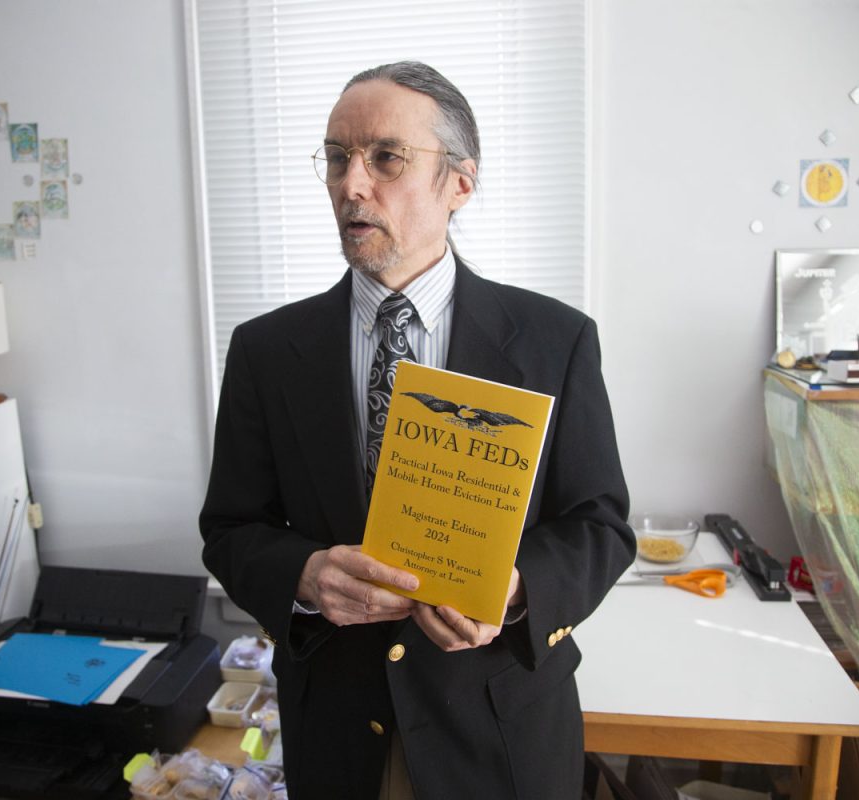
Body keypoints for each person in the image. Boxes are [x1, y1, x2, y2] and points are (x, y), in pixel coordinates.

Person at [200, 61, 635, 799]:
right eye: (336, 158)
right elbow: (231, 528)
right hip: (336, 736)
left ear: (460, 184)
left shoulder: (552, 340)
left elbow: (599, 525)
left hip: (498, 734)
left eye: (385, 158)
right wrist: (303, 576)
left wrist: (519, 588)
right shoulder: (268, 350)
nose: (350, 184)